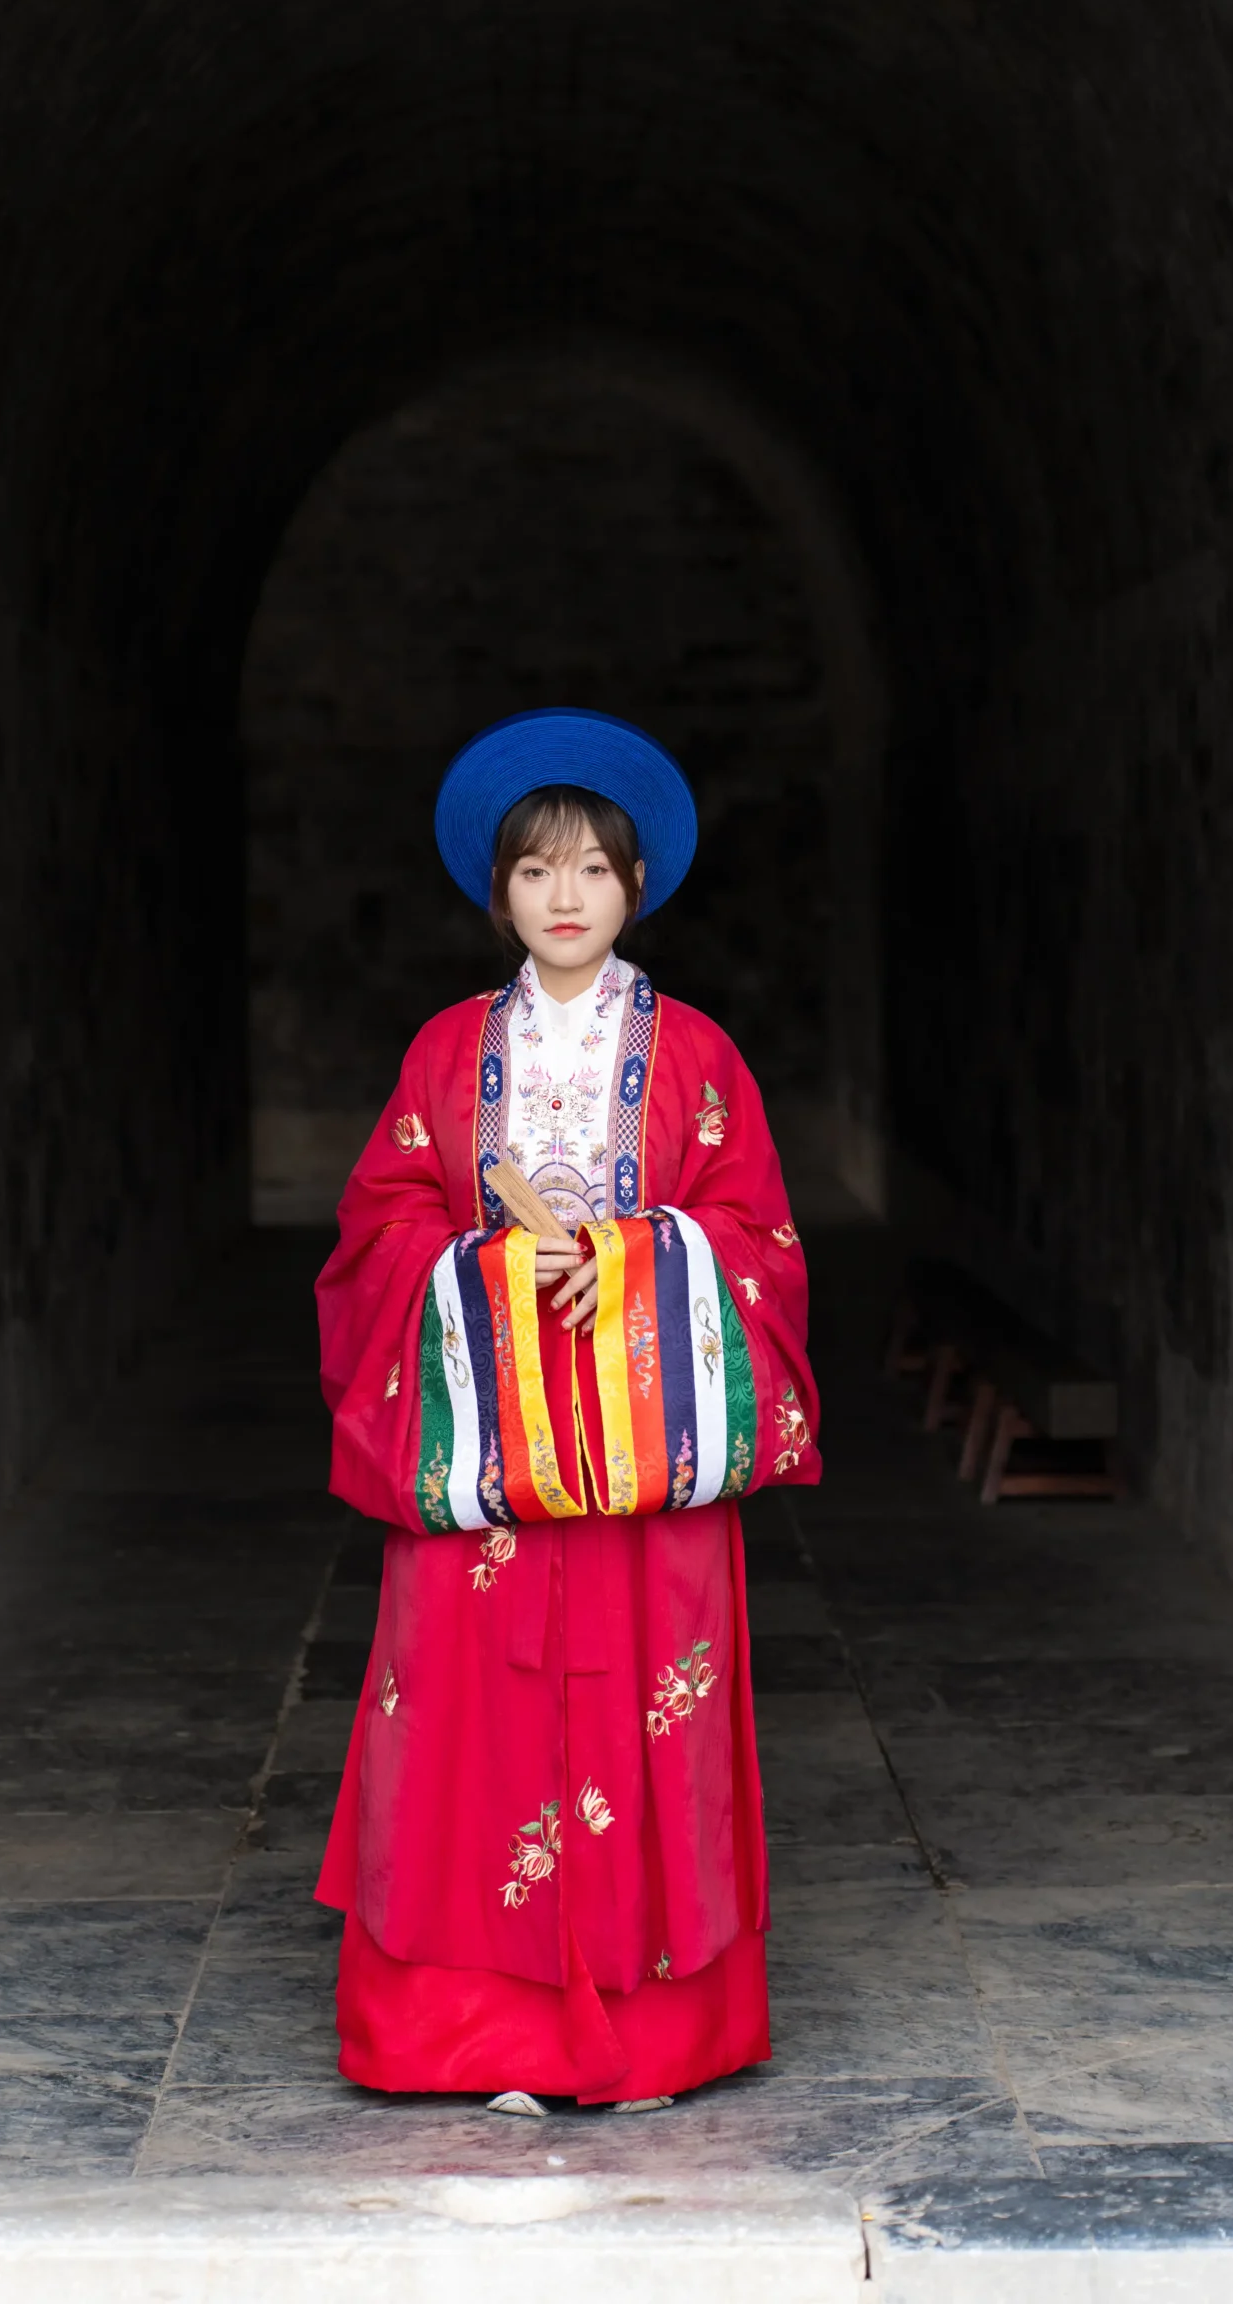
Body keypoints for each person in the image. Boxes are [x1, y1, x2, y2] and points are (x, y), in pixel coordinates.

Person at [315, 707, 819, 2113]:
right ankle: (477, 2040)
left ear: (634, 885)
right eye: (536, 870)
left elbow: (763, 1241)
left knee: (646, 1726)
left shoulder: (698, 1055)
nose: (565, 896)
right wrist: (481, 1271)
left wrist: (635, 1264)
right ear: (500, 891)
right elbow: (375, 1231)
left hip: (642, 1470)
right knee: (468, 1732)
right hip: (488, 1455)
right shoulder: (445, 1053)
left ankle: (655, 2039)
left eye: (593, 868)